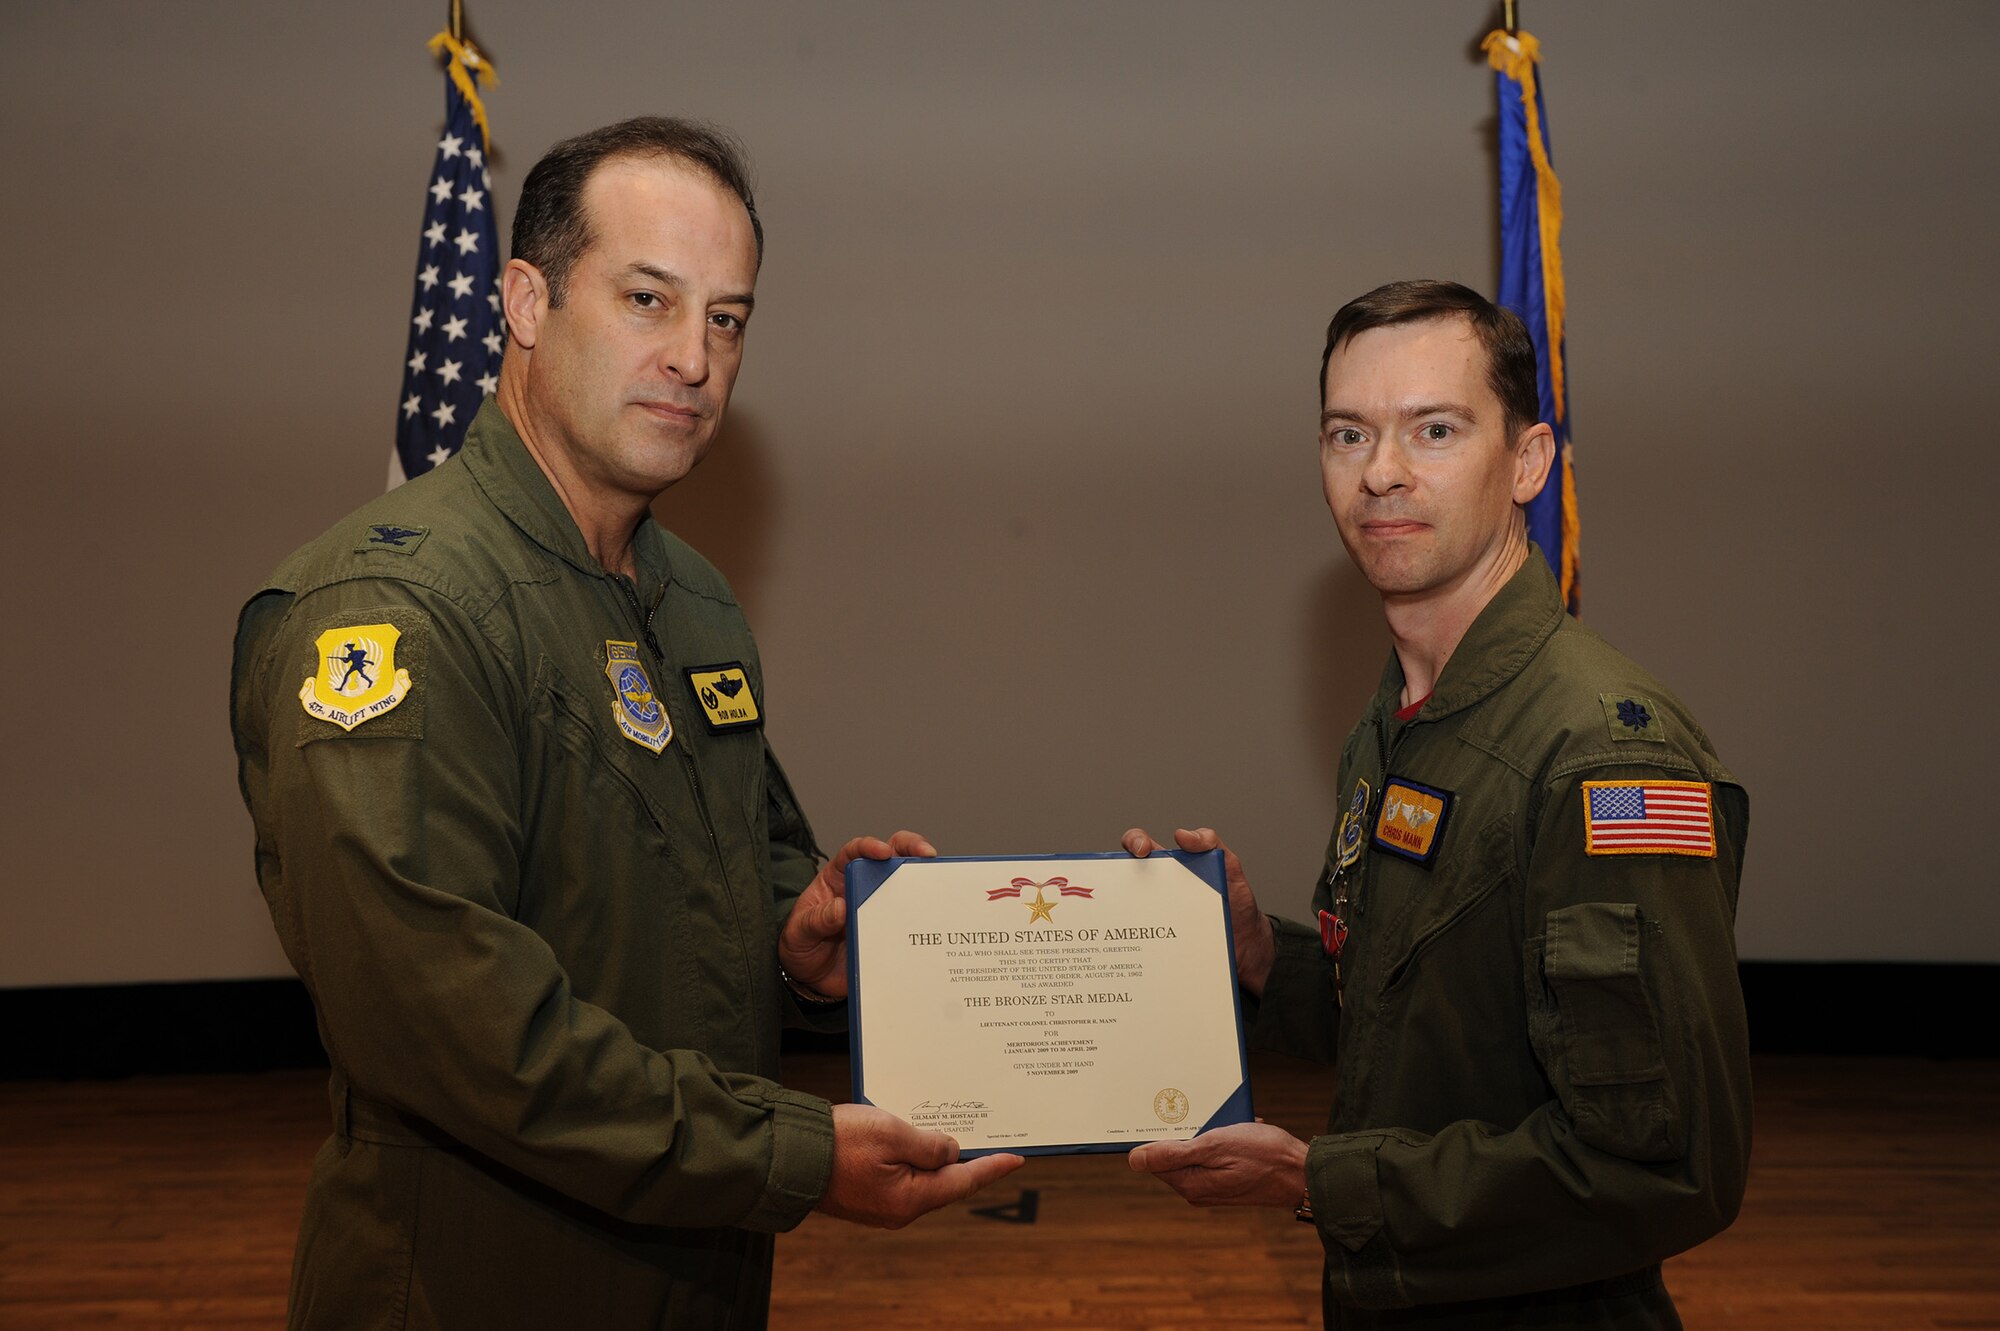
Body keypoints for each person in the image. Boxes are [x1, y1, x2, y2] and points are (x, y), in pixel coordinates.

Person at [230, 116, 1021, 1330]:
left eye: (727, 317)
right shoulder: (398, 608)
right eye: (649, 299)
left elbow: (697, 864)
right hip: (479, 1279)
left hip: (692, 1262)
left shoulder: (689, 595)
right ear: (527, 302)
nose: (695, 358)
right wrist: (788, 1154)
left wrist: (790, 927)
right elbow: (450, 1025)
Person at [1123, 280, 1750, 1328]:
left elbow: (1666, 1165)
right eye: (1346, 432)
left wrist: (1319, 1180)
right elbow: (1432, 1026)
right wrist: (1259, 959)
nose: (1380, 471)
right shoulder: (1401, 718)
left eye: (1434, 428)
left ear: (1527, 462)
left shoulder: (1597, 757)